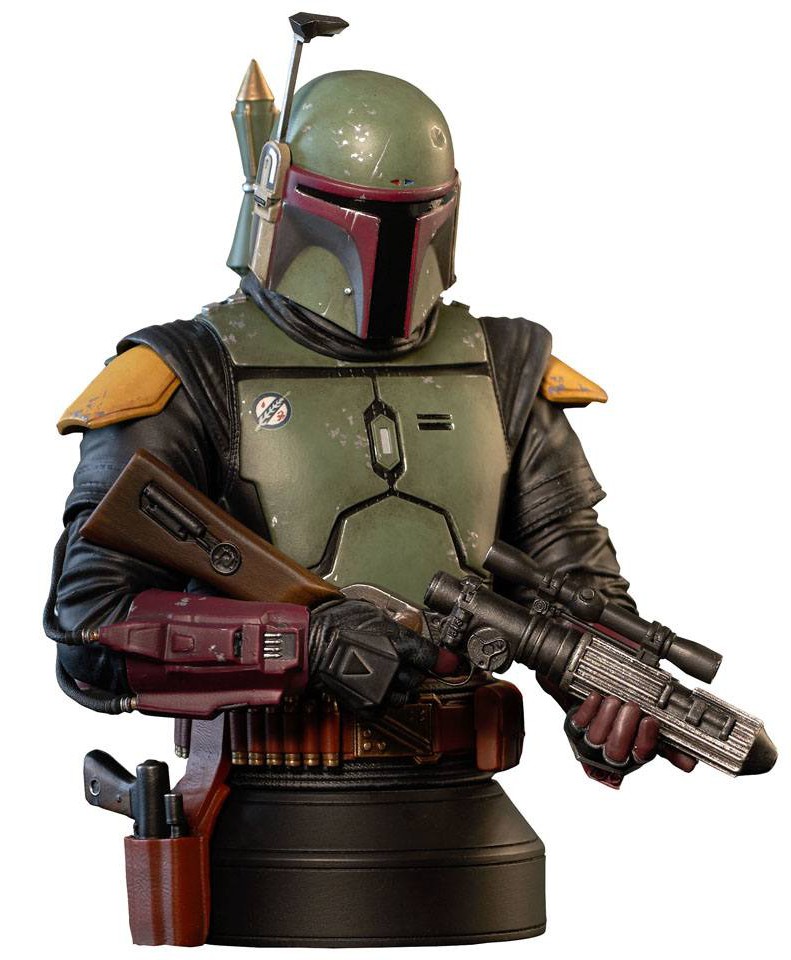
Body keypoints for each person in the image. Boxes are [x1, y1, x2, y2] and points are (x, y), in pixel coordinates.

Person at [48, 64, 689, 947]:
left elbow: (582, 598)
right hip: (267, 831)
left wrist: (609, 708)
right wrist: (298, 640)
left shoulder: (506, 370)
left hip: (470, 832)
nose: (386, 246)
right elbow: (88, 629)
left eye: (412, 213)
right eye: (362, 211)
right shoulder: (181, 376)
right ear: (282, 197)